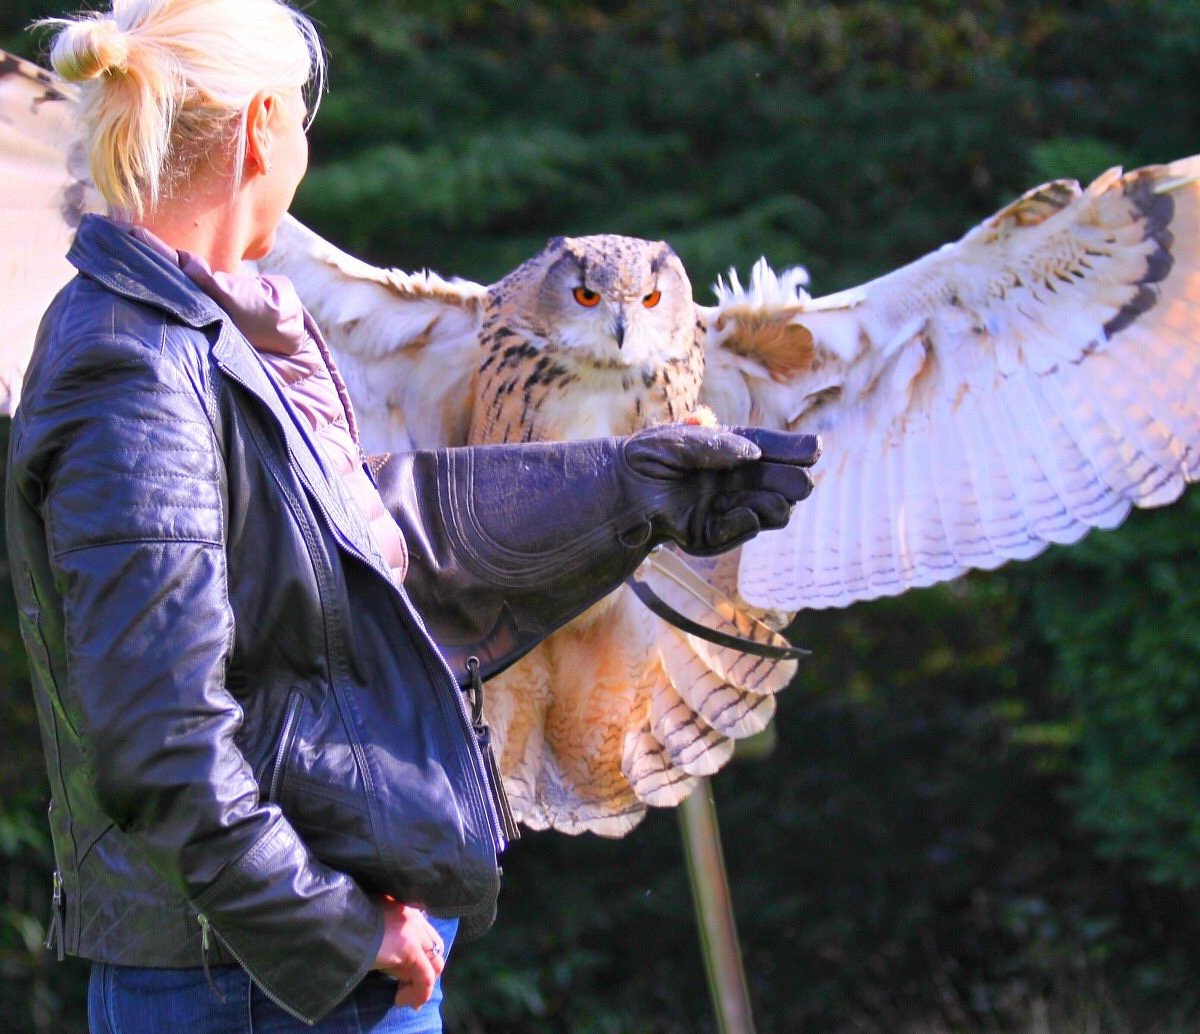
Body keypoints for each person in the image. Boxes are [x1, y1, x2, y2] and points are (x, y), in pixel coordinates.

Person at [4, 0, 820, 1030]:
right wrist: (333, 931)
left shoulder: (212, 328)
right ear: (262, 126)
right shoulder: (137, 364)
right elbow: (160, 732)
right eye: (304, 114)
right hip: (251, 977)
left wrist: (628, 489)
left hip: (289, 961)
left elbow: (369, 532)